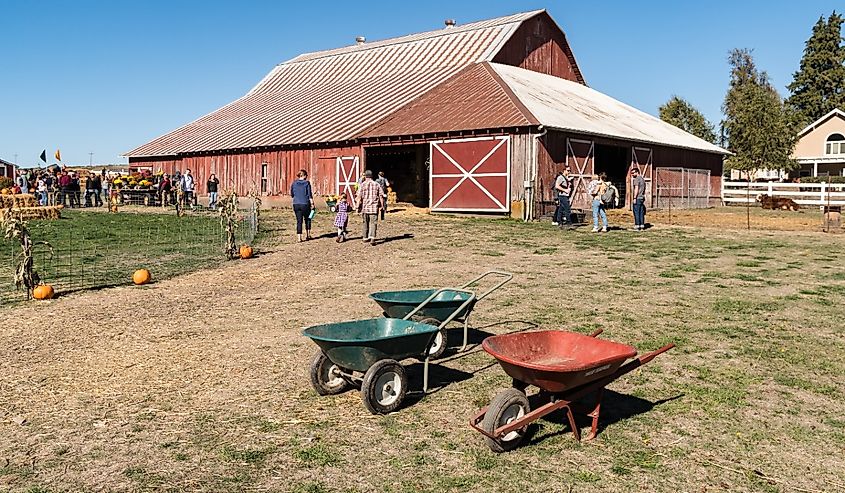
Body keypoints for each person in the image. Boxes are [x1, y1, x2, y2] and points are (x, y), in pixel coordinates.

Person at [355, 169, 385, 245]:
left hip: (365, 208)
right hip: (374, 208)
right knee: (373, 223)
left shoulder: (362, 185)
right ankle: (372, 238)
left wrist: (357, 207)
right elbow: (381, 196)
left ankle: (365, 238)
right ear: (372, 176)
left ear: (365, 176)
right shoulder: (377, 184)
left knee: (365, 223)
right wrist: (382, 206)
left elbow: (359, 197)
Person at [291, 169, 315, 242]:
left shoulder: (294, 183)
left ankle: (299, 237)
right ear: (304, 175)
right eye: (306, 176)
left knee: (299, 221)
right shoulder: (307, 183)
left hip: (296, 204)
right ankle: (308, 235)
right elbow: (309, 194)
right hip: (305, 203)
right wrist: (312, 203)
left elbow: (292, 194)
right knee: (308, 219)